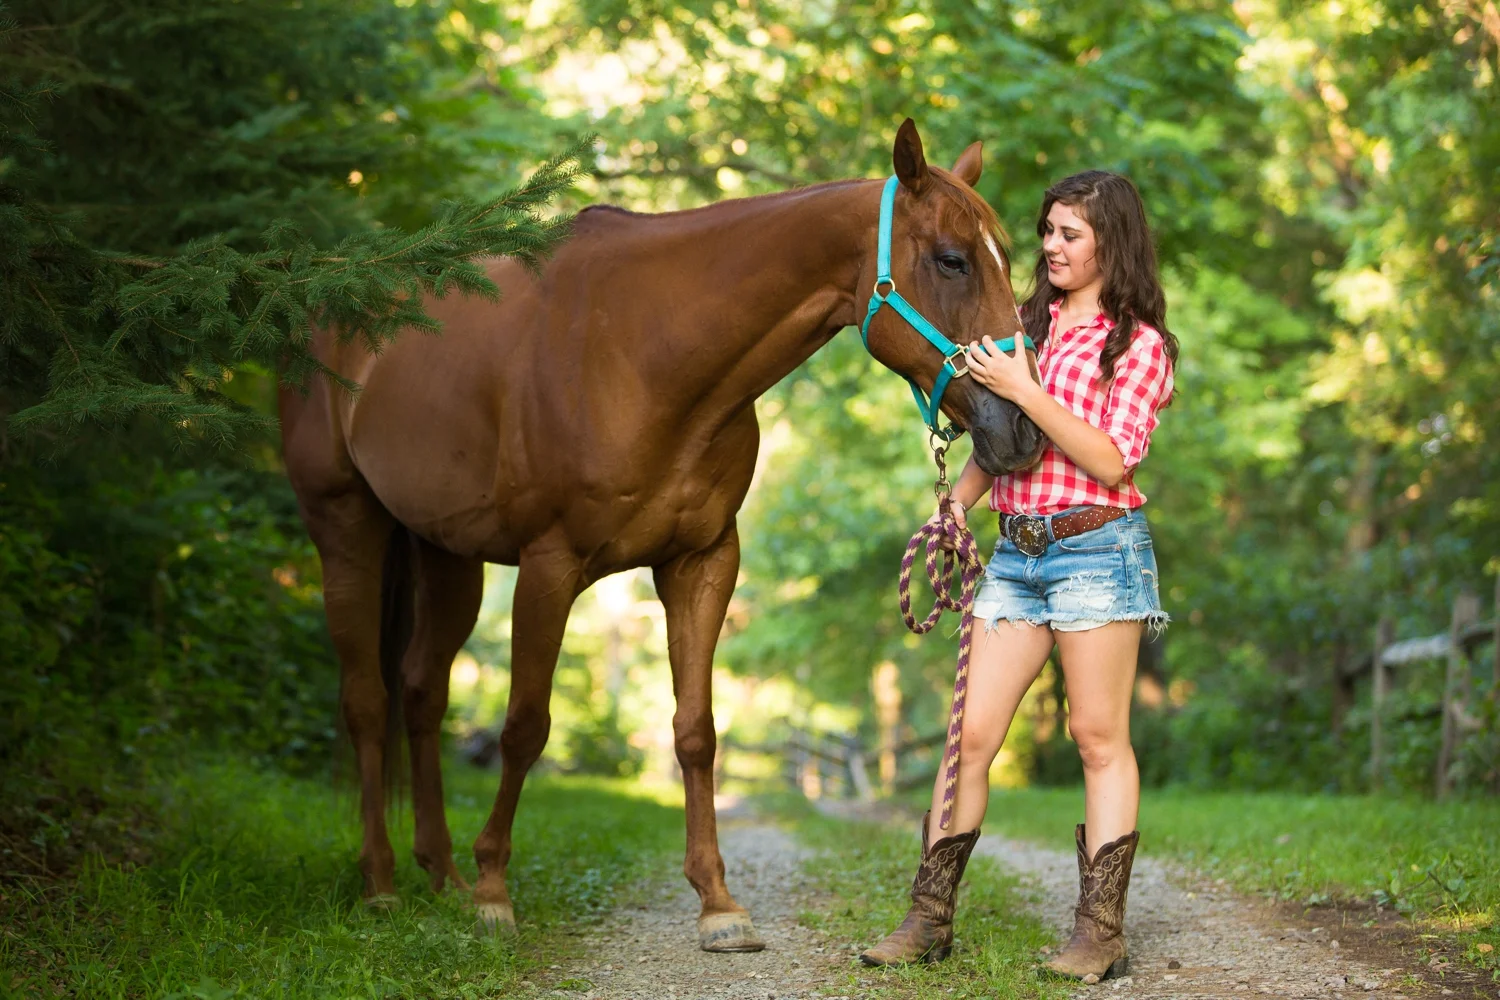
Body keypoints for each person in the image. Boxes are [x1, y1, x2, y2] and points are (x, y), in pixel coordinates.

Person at [859, 170, 1178, 980]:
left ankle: (1099, 931)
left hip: (1098, 552)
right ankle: (928, 917)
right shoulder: (1024, 323)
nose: (1051, 247)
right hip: (1018, 555)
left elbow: (1110, 459)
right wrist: (958, 506)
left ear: (1113, 241)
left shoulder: (1138, 345)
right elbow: (1001, 442)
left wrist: (1026, 388)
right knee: (968, 736)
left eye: (1069, 234)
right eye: (1048, 231)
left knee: (1097, 740)